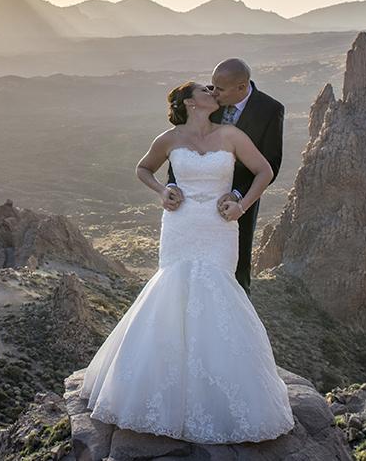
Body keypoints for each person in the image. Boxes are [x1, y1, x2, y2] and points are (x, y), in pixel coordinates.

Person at [78, 81, 296, 444]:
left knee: (218, 292)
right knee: (173, 292)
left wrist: (240, 206)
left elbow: (264, 171)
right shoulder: (169, 138)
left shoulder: (231, 134)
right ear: (189, 102)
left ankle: (217, 390)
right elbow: (143, 168)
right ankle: (164, 391)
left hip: (218, 226)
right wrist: (163, 191)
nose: (213, 91)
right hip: (180, 225)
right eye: (205, 89)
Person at [165, 58, 283, 294]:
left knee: (235, 273)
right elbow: (181, 146)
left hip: (239, 201)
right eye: (211, 86)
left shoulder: (270, 109)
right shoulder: (208, 102)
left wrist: (238, 196)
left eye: (220, 89)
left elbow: (270, 163)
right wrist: (171, 185)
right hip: (192, 204)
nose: (213, 92)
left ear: (241, 87)